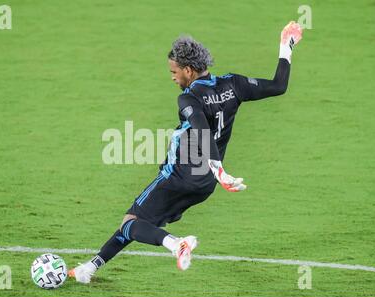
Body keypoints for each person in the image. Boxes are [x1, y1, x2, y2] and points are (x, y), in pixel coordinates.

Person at [69, 21, 303, 283]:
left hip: (178, 176)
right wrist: (286, 46)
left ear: (189, 71)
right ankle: (89, 268)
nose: (172, 77)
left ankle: (176, 244)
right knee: (142, 224)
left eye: (174, 71)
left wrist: (221, 171)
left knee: (130, 222)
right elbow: (278, 86)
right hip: (205, 184)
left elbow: (202, 130)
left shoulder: (188, 98)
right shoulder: (233, 84)